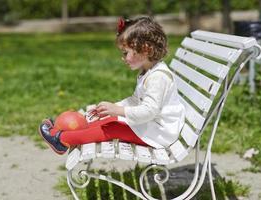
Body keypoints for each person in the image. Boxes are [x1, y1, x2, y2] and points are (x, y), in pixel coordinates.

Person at [38, 16, 185, 155]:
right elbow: (135, 100)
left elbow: (149, 111)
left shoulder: (158, 77)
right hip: (152, 127)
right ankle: (68, 131)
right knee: (110, 120)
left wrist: (118, 110)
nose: (123, 58)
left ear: (145, 49)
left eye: (126, 52)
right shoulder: (149, 72)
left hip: (159, 133)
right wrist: (112, 109)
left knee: (112, 129)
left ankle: (62, 140)